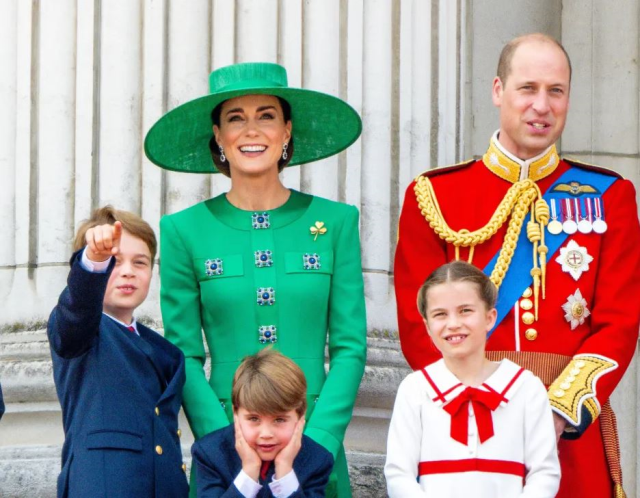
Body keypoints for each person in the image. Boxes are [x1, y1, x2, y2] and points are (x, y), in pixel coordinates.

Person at [394, 33, 640, 498]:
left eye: (556, 91)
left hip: (566, 432)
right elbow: (416, 319)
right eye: (527, 88)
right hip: (465, 427)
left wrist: (559, 409)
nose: (541, 106)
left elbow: (620, 322)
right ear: (498, 91)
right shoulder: (434, 196)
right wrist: (479, 402)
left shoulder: (609, 196)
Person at [144, 62, 367, 497]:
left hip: (314, 438)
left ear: (286, 131)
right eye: (235, 118)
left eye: (266, 115)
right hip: (226, 447)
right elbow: (185, 354)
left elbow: (350, 346)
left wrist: (317, 440)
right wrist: (221, 442)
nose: (252, 130)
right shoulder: (182, 230)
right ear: (218, 136)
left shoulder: (336, 222)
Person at [47, 206, 188, 498]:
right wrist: (93, 261)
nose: (127, 271)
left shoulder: (160, 348)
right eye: (114, 260)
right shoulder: (82, 330)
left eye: (140, 263)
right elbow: (76, 311)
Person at [385, 261, 560, 497]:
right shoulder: (415, 389)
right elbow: (399, 474)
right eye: (440, 314)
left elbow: (544, 473)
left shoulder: (526, 388)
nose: (453, 324)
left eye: (465, 310)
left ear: (490, 317)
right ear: (427, 325)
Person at [192, 348, 333, 497]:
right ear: (236, 413)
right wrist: (249, 472)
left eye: (279, 419)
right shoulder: (210, 453)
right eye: (254, 419)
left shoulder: (317, 460)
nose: (266, 434)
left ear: (300, 415)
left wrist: (285, 472)